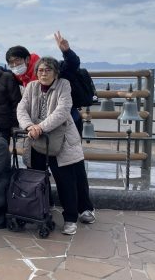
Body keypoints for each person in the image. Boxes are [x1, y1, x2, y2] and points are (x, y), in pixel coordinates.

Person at [16, 57, 96, 236]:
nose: (43, 73)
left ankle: (70, 219)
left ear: (56, 72)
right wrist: (29, 126)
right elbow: (21, 108)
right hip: (37, 140)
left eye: (48, 70)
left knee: (66, 180)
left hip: (62, 141)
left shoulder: (63, 85)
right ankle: (40, 210)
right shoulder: (31, 87)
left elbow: (62, 110)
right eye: (40, 70)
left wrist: (40, 127)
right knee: (37, 177)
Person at [6, 31, 83, 133]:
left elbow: (71, 66)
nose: (15, 65)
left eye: (18, 60)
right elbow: (21, 108)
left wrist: (67, 52)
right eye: (11, 63)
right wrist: (30, 126)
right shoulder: (22, 78)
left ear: (27, 59)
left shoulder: (49, 66)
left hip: (66, 125)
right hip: (38, 127)